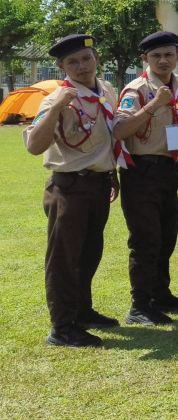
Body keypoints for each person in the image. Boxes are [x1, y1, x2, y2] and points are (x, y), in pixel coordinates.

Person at [24, 34, 121, 347]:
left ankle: (82, 310)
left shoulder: (105, 88)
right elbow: (34, 146)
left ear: (96, 57)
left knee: (89, 253)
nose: (81, 66)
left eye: (86, 58)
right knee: (64, 259)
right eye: (72, 62)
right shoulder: (57, 98)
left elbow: (107, 134)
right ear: (60, 66)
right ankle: (62, 327)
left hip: (99, 182)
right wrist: (55, 110)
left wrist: (112, 172)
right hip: (70, 186)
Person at [112, 30, 178, 326]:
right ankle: (139, 305)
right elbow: (120, 132)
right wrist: (153, 105)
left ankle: (160, 294)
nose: (163, 60)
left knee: (166, 237)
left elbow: (176, 126)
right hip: (140, 169)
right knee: (145, 239)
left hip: (167, 167)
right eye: (156, 56)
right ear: (144, 59)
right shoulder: (136, 90)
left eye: (169, 55)